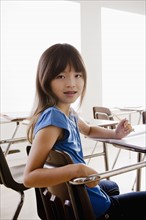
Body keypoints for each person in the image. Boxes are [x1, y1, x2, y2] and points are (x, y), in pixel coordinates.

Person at [23, 43, 146, 220]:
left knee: (110, 186)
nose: (71, 83)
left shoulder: (67, 113)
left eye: (77, 75)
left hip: (73, 198)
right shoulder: (54, 119)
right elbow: (29, 177)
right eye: (60, 76)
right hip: (89, 207)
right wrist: (78, 170)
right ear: (45, 80)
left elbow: (88, 130)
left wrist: (115, 134)